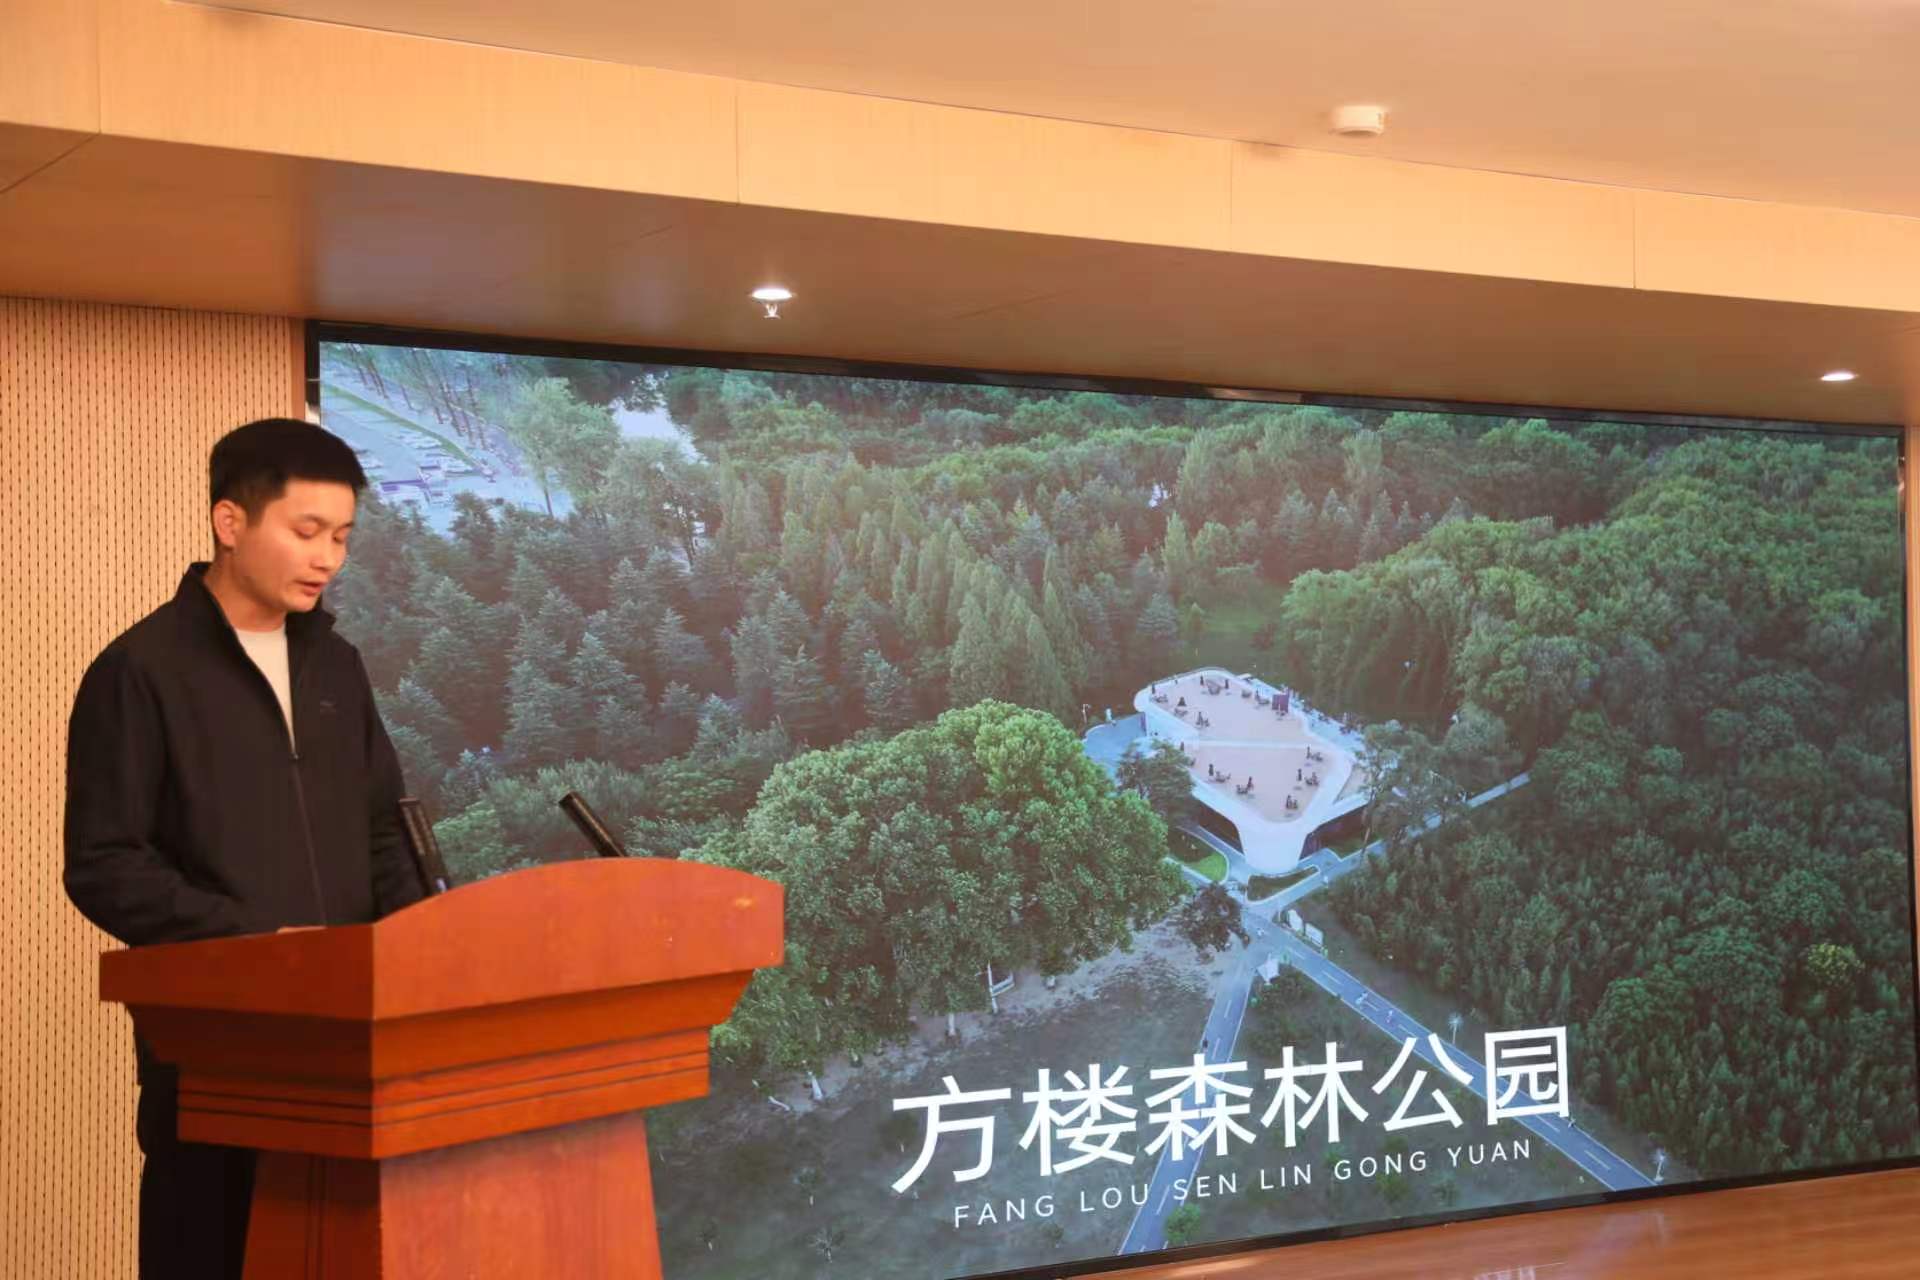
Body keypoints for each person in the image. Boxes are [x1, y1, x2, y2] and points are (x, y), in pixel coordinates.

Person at [63, 418, 425, 1280]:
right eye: (307, 531)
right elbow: (106, 863)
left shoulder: (337, 667)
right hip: (217, 1055)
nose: (328, 558)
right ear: (231, 522)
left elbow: (384, 828)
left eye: (342, 537)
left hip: (352, 1051)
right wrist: (259, 945)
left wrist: (423, 948)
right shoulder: (141, 670)